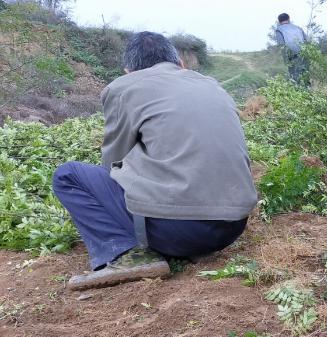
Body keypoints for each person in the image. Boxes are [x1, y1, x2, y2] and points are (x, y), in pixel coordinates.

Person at [52, 31, 258, 291]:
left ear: (129, 71)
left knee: (67, 175)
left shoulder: (124, 88)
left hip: (179, 231)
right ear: (180, 64)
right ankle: (182, 242)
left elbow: (112, 160)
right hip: (232, 227)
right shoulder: (211, 84)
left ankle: (127, 254)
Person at [274, 12, 309, 86]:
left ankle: (300, 94)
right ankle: (308, 93)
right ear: (289, 19)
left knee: (295, 79)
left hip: (292, 57)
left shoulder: (279, 30)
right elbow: (307, 41)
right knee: (306, 77)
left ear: (279, 21)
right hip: (305, 55)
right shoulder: (298, 28)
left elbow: (282, 46)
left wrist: (286, 61)